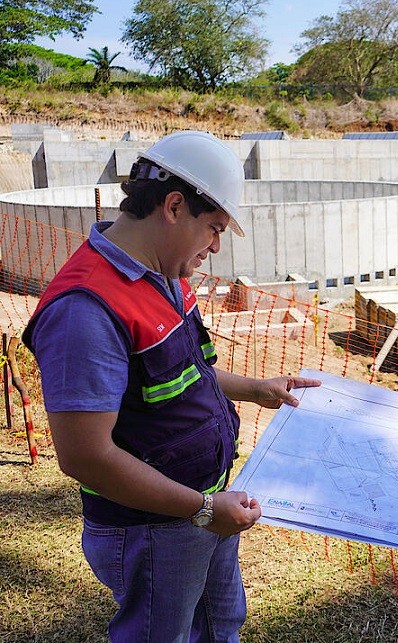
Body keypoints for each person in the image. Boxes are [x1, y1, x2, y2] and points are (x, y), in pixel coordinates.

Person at [23, 130, 321, 642]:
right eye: (214, 228)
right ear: (175, 206)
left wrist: (254, 388)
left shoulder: (166, 274)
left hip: (203, 507)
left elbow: (188, 375)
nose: (216, 246)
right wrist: (202, 510)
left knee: (220, 623)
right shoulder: (85, 310)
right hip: (152, 527)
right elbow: (83, 457)